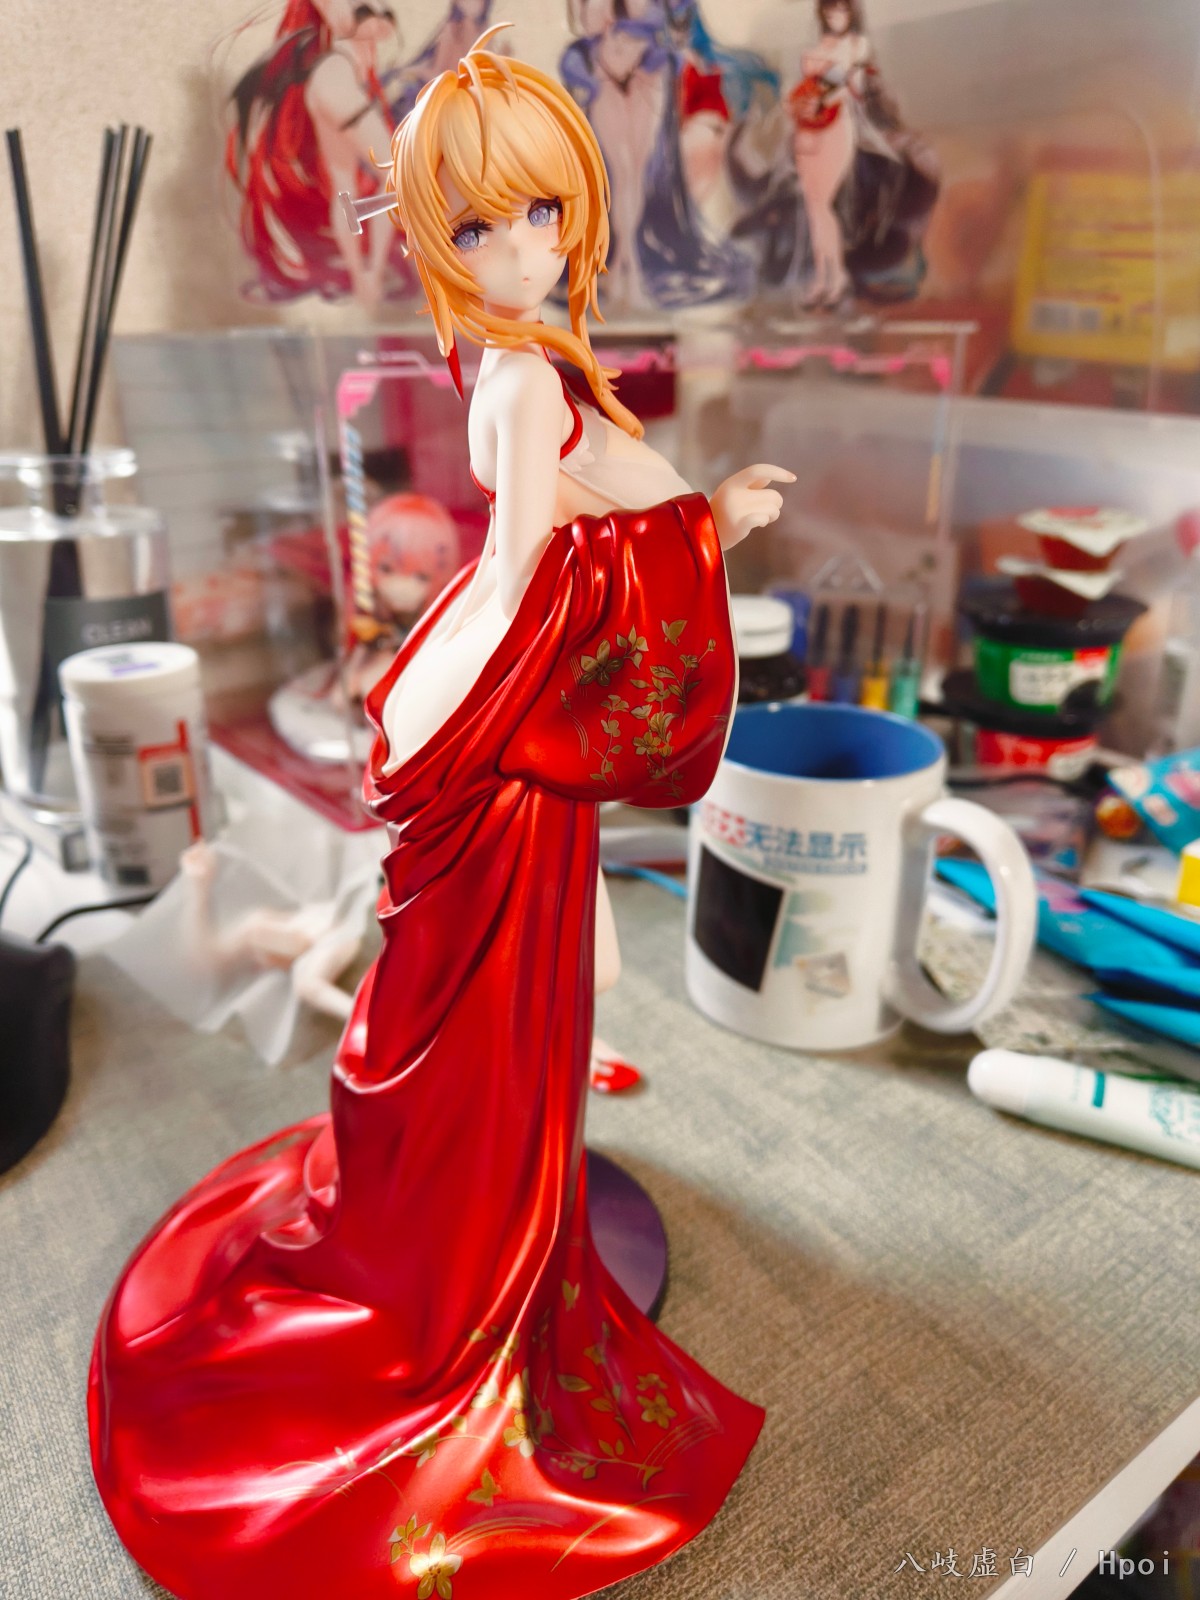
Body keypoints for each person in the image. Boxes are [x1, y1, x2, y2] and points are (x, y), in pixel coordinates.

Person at [89, 29, 791, 1599]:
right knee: (498, 992)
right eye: (480, 224)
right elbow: (533, 557)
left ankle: (489, 1197)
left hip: (498, 710)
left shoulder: (517, 360)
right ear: (433, 236)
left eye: (543, 213)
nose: (522, 248)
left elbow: (581, 507)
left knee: (507, 990)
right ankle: (477, 1240)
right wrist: (687, 548)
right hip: (512, 727)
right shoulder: (520, 374)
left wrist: (701, 519)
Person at [226, 0, 408, 308]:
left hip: (332, 78)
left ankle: (362, 276)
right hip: (336, 81)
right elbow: (353, 23)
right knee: (396, 177)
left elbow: (366, 27)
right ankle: (371, 272)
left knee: (345, 187)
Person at [789, 0, 938, 307]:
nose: (836, 16)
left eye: (841, 11)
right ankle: (825, 278)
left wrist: (816, 96)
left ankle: (834, 279)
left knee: (824, 206)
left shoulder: (856, 45)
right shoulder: (821, 46)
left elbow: (844, 81)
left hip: (840, 126)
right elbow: (810, 88)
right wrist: (801, 100)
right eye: (830, 11)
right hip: (813, 129)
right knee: (815, 208)